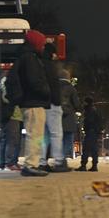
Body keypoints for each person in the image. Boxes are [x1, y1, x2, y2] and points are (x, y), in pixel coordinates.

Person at [12, 29, 53, 176]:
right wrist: (46, 91)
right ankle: (30, 165)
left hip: (31, 101)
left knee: (35, 135)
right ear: (36, 44)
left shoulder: (26, 57)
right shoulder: (30, 59)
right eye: (41, 44)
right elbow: (34, 81)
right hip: (33, 102)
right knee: (35, 135)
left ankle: (32, 164)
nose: (43, 47)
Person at [43, 41, 78, 172]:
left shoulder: (40, 64)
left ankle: (42, 161)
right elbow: (76, 103)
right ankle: (59, 161)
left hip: (43, 104)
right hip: (56, 108)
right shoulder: (51, 67)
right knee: (57, 135)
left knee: (44, 136)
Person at [79, 94, 105, 172]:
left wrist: (85, 128)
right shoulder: (95, 110)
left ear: (86, 102)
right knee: (94, 149)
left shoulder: (89, 111)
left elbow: (89, 121)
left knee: (86, 148)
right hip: (94, 132)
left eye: (84, 102)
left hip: (91, 131)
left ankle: (83, 165)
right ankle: (94, 165)